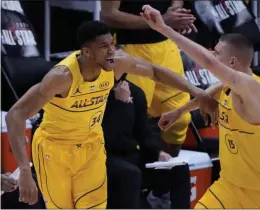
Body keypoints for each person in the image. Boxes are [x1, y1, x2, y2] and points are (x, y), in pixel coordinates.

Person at [5, 20, 208, 208]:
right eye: (104, 47)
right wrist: (24, 170)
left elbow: (155, 71)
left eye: (112, 44)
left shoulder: (116, 64)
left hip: (92, 145)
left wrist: (196, 91)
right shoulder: (61, 78)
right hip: (55, 148)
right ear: (87, 52)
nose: (112, 51)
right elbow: (15, 115)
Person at [142, 5, 260, 208]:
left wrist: (164, 29)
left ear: (232, 62)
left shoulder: (253, 88)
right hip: (228, 186)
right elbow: (209, 93)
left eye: (217, 53)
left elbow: (208, 62)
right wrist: (179, 112)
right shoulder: (227, 86)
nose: (212, 55)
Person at [101, 0, 197, 158]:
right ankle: (140, 175)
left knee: (180, 119)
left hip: (166, 46)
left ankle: (168, 168)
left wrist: (176, 11)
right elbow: (109, 15)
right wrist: (160, 21)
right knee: (133, 120)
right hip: (131, 48)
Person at [102, 78, 172, 209]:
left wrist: (158, 152)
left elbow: (143, 131)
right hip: (103, 154)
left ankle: (160, 200)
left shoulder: (135, 92)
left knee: (178, 168)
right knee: (130, 172)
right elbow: (108, 137)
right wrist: (120, 105)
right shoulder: (95, 93)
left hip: (130, 155)